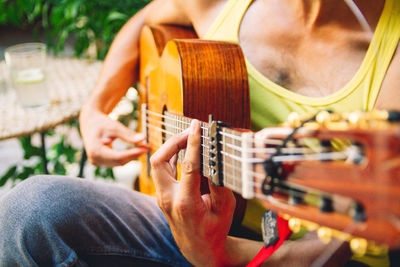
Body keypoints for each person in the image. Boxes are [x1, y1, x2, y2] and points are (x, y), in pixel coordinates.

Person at [0, 0, 399, 266]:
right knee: (30, 210)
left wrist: (219, 253)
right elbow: (146, 19)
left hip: (273, 255)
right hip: (191, 226)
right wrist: (95, 108)